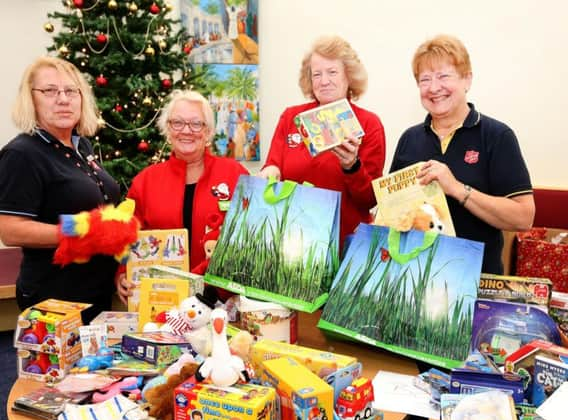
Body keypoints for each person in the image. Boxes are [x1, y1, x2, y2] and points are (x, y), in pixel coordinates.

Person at [390, 34, 535, 275]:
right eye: (425, 79)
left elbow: (523, 217)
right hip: (413, 279)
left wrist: (457, 188)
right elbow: (395, 213)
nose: (434, 88)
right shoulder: (409, 139)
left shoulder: (497, 136)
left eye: (444, 76)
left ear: (467, 79)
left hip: (476, 282)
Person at [0, 57, 121, 323]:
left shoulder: (81, 147)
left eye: (70, 91)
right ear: (31, 99)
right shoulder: (22, 154)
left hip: (95, 293)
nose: (63, 99)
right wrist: (78, 229)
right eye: (50, 91)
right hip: (54, 300)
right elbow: (9, 229)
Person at [117, 90, 248, 304]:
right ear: (167, 128)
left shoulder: (235, 174)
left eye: (196, 124)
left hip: (222, 301)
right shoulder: (145, 181)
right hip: (161, 300)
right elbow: (127, 236)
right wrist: (123, 272)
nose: (186, 131)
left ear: (208, 131)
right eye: (177, 123)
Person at [259, 35, 386, 246]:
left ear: (349, 76)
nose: (324, 81)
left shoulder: (368, 124)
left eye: (332, 72)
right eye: (316, 74)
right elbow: (273, 166)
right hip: (293, 243)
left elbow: (371, 200)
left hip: (346, 245)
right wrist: (269, 173)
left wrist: (352, 167)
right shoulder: (292, 118)